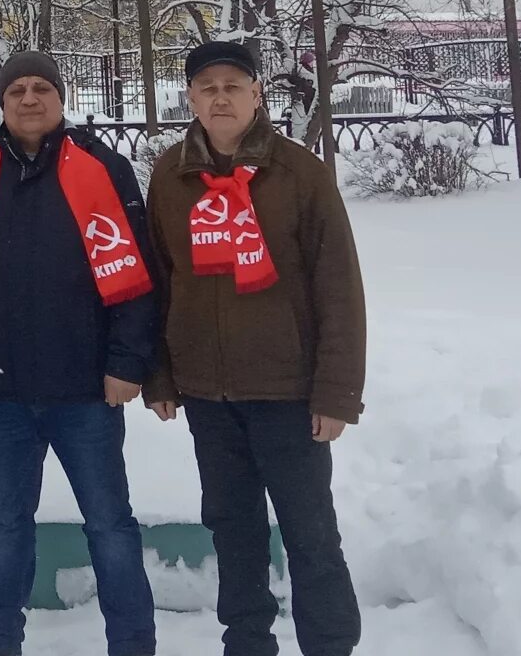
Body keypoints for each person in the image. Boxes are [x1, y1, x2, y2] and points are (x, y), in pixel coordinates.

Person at [143, 42, 367, 656]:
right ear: (190, 98)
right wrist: (161, 376)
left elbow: (338, 285)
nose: (220, 96)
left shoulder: (299, 173)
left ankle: (330, 645)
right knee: (232, 531)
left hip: (287, 392)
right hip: (209, 396)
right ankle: (246, 644)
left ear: (256, 94)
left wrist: (337, 392)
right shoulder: (171, 176)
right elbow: (159, 282)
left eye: (233, 85)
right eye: (207, 86)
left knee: (310, 533)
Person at [0, 51, 159, 656]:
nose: (29, 98)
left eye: (42, 87)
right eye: (16, 88)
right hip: (2, 390)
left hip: (86, 391)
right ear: (1, 102)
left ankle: (133, 643)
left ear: (61, 97)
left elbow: (135, 269)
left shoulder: (102, 167)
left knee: (110, 526)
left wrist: (127, 362)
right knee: (5, 526)